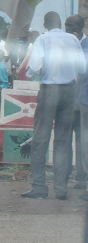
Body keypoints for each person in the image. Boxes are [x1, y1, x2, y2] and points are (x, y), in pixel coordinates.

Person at [22, 11, 86, 200]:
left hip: (49, 90)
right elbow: (82, 68)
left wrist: (31, 75)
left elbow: (32, 69)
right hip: (69, 92)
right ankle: (61, 188)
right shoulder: (73, 40)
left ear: (45, 24)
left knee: (40, 138)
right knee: (63, 141)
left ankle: (40, 186)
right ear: (61, 23)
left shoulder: (43, 39)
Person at [64, 15, 87, 190]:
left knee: (82, 139)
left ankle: (82, 175)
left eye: (71, 26)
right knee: (65, 138)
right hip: (67, 100)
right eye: (66, 26)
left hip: (83, 101)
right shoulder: (65, 45)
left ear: (79, 28)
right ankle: (64, 175)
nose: (68, 29)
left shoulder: (85, 45)